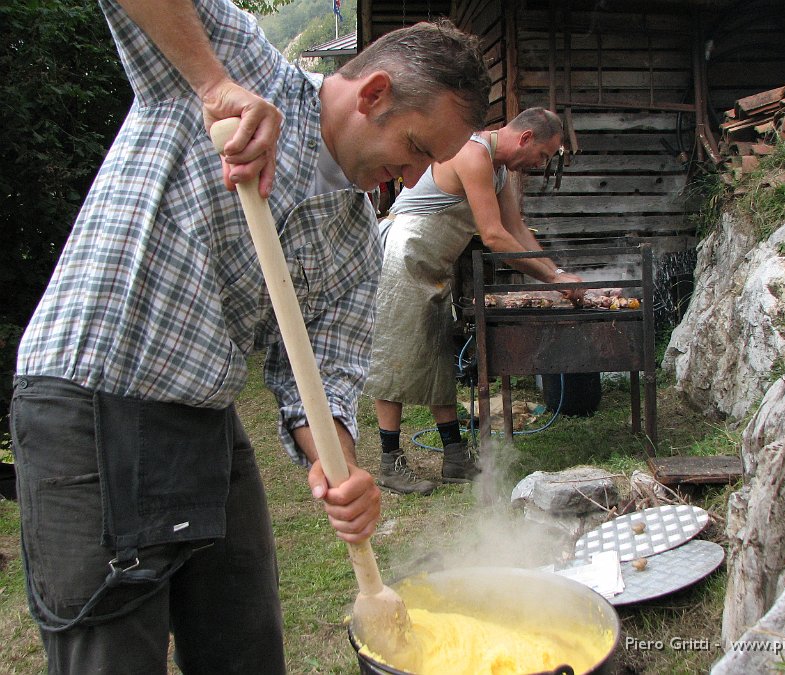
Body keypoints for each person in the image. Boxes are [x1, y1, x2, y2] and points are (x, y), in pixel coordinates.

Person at [10, 0, 490, 672]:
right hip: (89, 395)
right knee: (110, 656)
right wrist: (214, 84)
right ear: (375, 94)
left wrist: (339, 464)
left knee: (247, 649)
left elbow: (316, 385)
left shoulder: (357, 243)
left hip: (204, 413)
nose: (412, 179)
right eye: (415, 149)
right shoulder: (241, 59)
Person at [365, 108, 584, 495]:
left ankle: (454, 457)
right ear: (526, 137)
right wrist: (551, 277)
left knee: (437, 357)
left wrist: (558, 275)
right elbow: (494, 236)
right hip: (402, 255)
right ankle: (389, 462)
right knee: (394, 357)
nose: (540, 164)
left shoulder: (500, 171)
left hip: (431, 265)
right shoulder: (472, 153)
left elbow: (516, 228)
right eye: (544, 155)